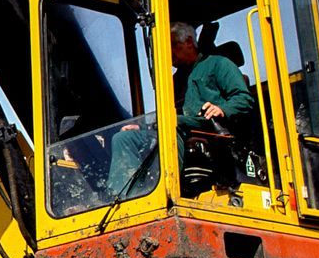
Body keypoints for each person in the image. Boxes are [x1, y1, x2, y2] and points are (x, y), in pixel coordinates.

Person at [105, 21, 255, 197]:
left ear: (189, 42)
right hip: (179, 127)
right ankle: (126, 197)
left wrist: (222, 109)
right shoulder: (174, 81)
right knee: (124, 138)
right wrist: (142, 127)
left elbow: (244, 99)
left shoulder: (219, 64)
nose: (168, 53)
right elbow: (166, 115)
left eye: (172, 45)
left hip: (209, 127)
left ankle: (167, 193)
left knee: (171, 122)